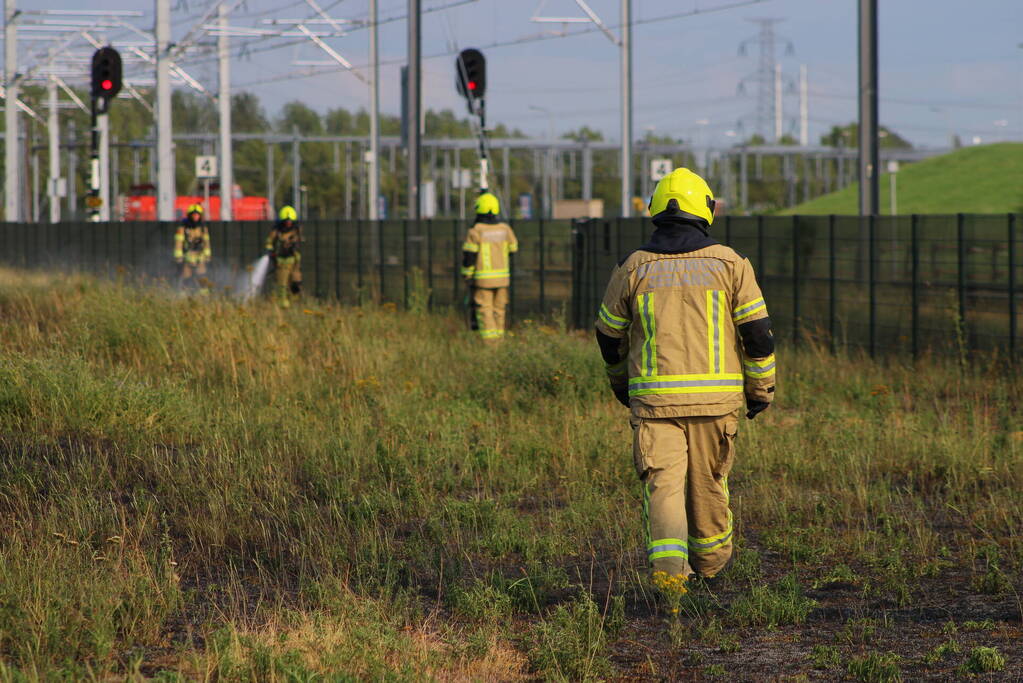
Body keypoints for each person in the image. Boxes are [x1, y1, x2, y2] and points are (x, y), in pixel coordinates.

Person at [594, 168, 776, 584]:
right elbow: (759, 335)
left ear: (657, 211)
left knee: (664, 489)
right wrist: (760, 390)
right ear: (705, 210)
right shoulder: (730, 264)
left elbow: (608, 336)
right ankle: (712, 572)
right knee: (709, 486)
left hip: (655, 405)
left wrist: (620, 382)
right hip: (717, 405)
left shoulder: (633, 267)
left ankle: (671, 582)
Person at [461, 192, 518, 341]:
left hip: (483, 280)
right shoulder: (505, 229)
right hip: (503, 279)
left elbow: (469, 256)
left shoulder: (476, 230)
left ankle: (491, 344)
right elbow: (513, 249)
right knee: (499, 310)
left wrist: (467, 274)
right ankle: (500, 340)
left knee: (485, 310)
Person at [264, 206, 303, 307]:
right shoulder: (277, 231)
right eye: (286, 221)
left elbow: (299, 242)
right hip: (281, 261)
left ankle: (295, 302)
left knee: (296, 282)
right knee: (282, 283)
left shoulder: (296, 230)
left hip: (294, 261)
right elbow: (269, 242)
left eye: (290, 221)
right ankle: (283, 303)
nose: (288, 223)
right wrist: (271, 250)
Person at [173, 203, 212, 292]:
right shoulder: (183, 227)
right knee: (186, 277)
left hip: (200, 257)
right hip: (188, 256)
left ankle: (203, 296)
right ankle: (184, 296)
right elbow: (178, 242)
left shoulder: (203, 227)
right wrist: (178, 256)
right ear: (189, 215)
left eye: (197, 215)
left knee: (202, 277)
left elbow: (206, 242)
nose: (195, 217)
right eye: (194, 215)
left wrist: (207, 255)